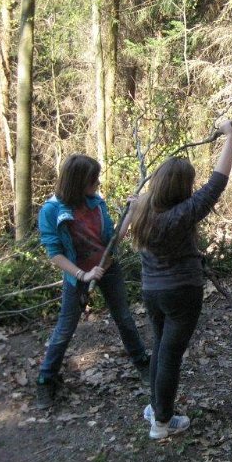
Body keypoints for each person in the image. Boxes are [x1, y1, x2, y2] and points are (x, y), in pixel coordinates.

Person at [129, 120, 232, 440]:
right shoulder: (182, 214)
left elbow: (123, 230)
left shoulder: (142, 209)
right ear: (182, 188)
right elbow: (218, 182)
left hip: (152, 292)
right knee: (170, 355)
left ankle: (155, 406)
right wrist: (230, 136)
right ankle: (162, 422)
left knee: (161, 349)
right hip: (181, 293)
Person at [36, 154, 149, 410]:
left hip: (108, 269)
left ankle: (143, 363)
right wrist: (82, 275)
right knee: (65, 328)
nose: (97, 183)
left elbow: (111, 240)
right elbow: (55, 253)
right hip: (77, 277)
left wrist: (130, 213)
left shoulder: (96, 204)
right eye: (92, 179)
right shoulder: (52, 210)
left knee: (125, 318)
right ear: (78, 181)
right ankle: (45, 380)